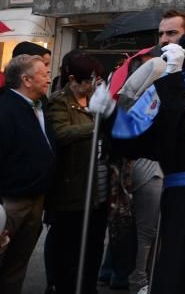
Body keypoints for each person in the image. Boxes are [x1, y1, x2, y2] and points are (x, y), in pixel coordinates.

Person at [95, 32, 185, 292]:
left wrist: (172, 76)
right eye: (162, 33)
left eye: (172, 33)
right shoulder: (180, 77)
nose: (166, 41)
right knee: (171, 258)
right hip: (177, 188)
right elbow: (146, 135)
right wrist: (111, 115)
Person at [44, 51, 109, 294]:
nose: (93, 85)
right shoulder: (59, 102)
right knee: (68, 249)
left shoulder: (97, 98)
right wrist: (95, 126)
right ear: (72, 79)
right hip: (72, 190)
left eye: (96, 80)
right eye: (88, 80)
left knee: (93, 246)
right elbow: (60, 134)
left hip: (99, 191)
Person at [0, 54, 55, 294]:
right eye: (43, 74)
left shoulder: (40, 107)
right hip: (10, 201)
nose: (49, 79)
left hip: (35, 199)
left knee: (17, 263)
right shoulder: (5, 109)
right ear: (26, 79)